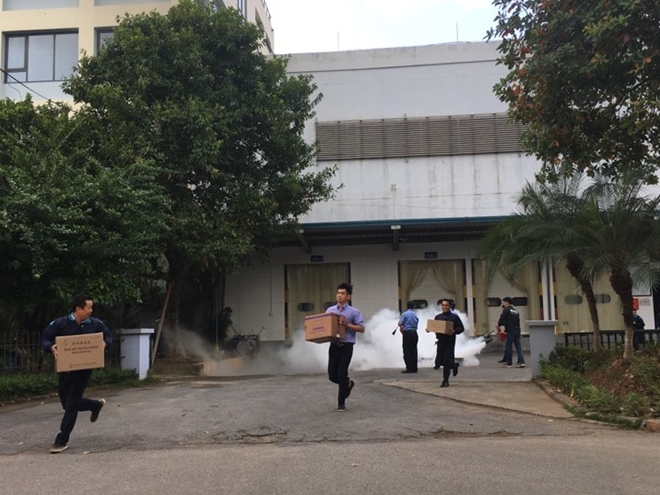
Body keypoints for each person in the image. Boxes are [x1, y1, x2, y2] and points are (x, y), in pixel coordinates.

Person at [41, 294, 113, 453]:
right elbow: (45, 338)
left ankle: (61, 440)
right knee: (66, 403)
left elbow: (108, 336)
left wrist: (104, 343)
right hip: (66, 370)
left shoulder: (95, 323)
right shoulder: (60, 323)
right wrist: (51, 347)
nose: (91, 310)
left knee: (72, 405)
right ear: (78, 309)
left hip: (84, 371)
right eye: (88, 307)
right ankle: (95, 405)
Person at [325, 282, 365, 411]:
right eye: (338, 293)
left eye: (342, 293)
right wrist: (311, 328)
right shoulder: (330, 310)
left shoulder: (354, 312)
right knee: (332, 375)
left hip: (347, 345)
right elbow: (324, 325)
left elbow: (361, 328)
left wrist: (347, 325)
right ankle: (348, 383)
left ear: (348, 297)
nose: (339, 295)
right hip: (334, 345)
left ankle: (341, 403)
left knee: (342, 373)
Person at [433, 298, 464, 387]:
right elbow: (434, 327)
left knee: (446, 361)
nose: (444, 307)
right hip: (440, 341)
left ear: (450, 306)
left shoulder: (454, 317)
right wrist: (429, 329)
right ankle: (453, 365)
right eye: (443, 305)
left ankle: (445, 380)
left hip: (449, 342)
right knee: (439, 361)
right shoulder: (438, 317)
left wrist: (454, 331)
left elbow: (461, 328)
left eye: (446, 305)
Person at [497, 296, 525, 368]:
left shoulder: (506, 310)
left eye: (504, 302)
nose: (503, 304)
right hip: (517, 330)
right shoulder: (515, 311)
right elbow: (515, 321)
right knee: (518, 346)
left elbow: (501, 319)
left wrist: (499, 325)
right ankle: (521, 361)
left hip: (510, 331)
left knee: (509, 346)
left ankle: (509, 363)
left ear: (507, 302)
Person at [398, 301, 419, 373]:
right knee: (414, 350)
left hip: (407, 334)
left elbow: (400, 323)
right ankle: (414, 368)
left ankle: (409, 368)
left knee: (407, 351)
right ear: (414, 307)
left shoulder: (405, 314)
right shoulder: (415, 314)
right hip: (414, 333)